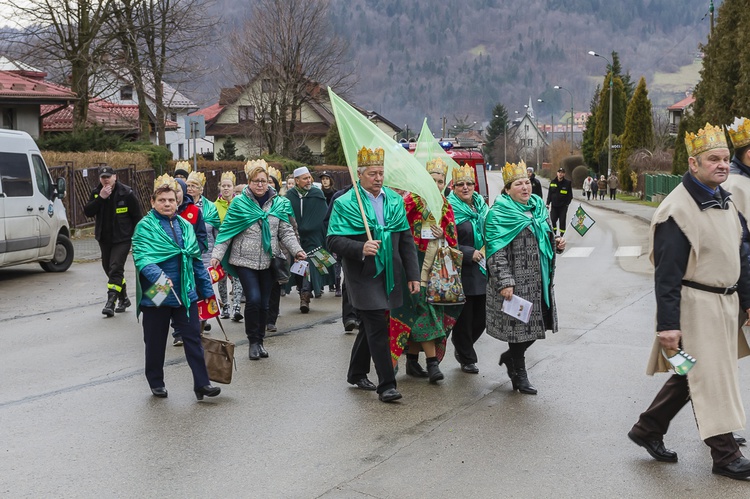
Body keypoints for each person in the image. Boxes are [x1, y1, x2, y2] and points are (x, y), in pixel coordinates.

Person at [627, 123, 750, 480]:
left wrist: (746, 301)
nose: (722, 165)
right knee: (711, 378)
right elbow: (666, 276)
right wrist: (667, 326)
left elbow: (736, 257)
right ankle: (725, 456)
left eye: (726, 158)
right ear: (694, 164)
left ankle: (648, 428)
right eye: (714, 159)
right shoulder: (675, 211)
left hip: (724, 305)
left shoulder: (724, 200)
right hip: (697, 306)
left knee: (690, 373)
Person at [327, 146, 420, 403]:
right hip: (362, 274)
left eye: (381, 173)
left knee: (372, 325)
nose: (378, 178)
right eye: (372, 173)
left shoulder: (394, 200)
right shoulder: (346, 202)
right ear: (360, 175)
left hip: (390, 272)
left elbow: (406, 241)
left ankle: (357, 372)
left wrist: (413, 275)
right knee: (378, 323)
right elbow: (333, 240)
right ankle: (387, 385)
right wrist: (360, 247)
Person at [131, 174, 220, 401]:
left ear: (177, 202)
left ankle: (202, 384)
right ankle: (156, 382)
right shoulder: (145, 226)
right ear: (153, 202)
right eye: (162, 200)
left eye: (171, 200)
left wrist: (207, 292)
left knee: (192, 339)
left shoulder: (185, 226)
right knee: (155, 341)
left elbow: (195, 261)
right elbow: (142, 258)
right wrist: (159, 277)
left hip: (185, 290)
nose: (167, 204)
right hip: (158, 291)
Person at [211, 160, 305, 360]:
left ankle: (260, 341)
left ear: (269, 182)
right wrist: (217, 256)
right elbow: (226, 232)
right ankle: (252, 342)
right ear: (249, 182)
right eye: (256, 181)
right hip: (244, 260)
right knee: (253, 299)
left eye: (263, 181)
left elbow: (286, 231)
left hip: (269, 260)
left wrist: (297, 250)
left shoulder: (277, 203)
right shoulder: (239, 203)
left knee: (264, 303)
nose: (260, 184)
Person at [485, 161, 565, 395]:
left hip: (540, 279)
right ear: (508, 189)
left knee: (538, 325)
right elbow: (495, 250)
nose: (525, 187)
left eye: (527, 183)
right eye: (518, 184)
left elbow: (547, 235)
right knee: (519, 330)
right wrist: (505, 281)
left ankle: (511, 359)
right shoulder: (498, 214)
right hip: (516, 282)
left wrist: (557, 243)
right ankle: (519, 373)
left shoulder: (538, 207)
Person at [389, 158, 461, 383]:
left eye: (441, 181)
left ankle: (412, 360)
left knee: (429, 311)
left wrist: (444, 235)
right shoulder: (410, 201)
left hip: (437, 270)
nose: (437, 185)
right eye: (433, 180)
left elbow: (453, 238)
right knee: (421, 312)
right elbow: (401, 233)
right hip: (414, 266)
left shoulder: (446, 205)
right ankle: (432, 364)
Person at [83, 165, 143, 317]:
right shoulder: (97, 193)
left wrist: (138, 238)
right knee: (109, 269)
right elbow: (88, 211)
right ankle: (123, 298)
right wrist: (101, 198)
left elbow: (137, 217)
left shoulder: (126, 193)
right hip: (104, 238)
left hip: (122, 238)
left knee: (116, 267)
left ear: (115, 177)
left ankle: (111, 302)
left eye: (108, 177)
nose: (106, 180)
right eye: (103, 177)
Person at [448, 164, 489, 374]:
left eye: (469, 183)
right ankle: (467, 356)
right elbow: (446, 241)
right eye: (460, 184)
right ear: (453, 187)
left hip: (483, 269)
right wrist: (467, 253)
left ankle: (463, 345)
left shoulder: (481, 205)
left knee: (482, 317)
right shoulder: (448, 208)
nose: (465, 187)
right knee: (465, 317)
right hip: (462, 270)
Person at [286, 166, 330, 311]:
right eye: (305, 178)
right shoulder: (289, 196)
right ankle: (302, 290)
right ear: (297, 181)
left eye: (309, 177)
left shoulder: (317, 194)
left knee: (310, 264)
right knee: (298, 265)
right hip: (295, 238)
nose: (308, 181)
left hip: (314, 238)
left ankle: (305, 294)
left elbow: (324, 217)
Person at [186, 170, 221, 332]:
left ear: (201, 189)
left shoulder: (210, 208)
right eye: (188, 185)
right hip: (188, 254)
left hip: (206, 255)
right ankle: (193, 320)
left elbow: (217, 232)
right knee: (190, 288)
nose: (190, 189)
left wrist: (217, 255)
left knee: (203, 287)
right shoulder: (182, 207)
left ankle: (201, 320)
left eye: (194, 186)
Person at [214, 171, 244, 321]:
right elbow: (213, 227)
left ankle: (237, 306)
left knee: (238, 276)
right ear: (220, 187)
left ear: (233, 188)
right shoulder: (214, 206)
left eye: (229, 186)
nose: (226, 189)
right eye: (223, 186)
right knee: (222, 277)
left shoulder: (239, 203)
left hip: (237, 246)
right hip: (222, 247)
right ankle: (225, 305)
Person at [320, 171, 342, 297]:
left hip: (334, 227)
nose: (324, 181)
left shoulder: (336, 194)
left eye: (327, 178)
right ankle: (323, 283)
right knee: (323, 256)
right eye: (323, 179)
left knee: (336, 258)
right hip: (323, 228)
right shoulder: (319, 194)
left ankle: (336, 283)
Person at [546, 167, 573, 236]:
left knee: (562, 221)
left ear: (564, 174)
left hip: (563, 206)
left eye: (562, 173)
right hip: (554, 206)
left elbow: (570, 195)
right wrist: (547, 203)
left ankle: (562, 234)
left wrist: (567, 204)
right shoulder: (552, 182)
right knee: (553, 220)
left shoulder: (567, 183)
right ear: (557, 173)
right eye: (559, 172)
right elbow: (550, 194)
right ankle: (554, 234)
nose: (560, 174)